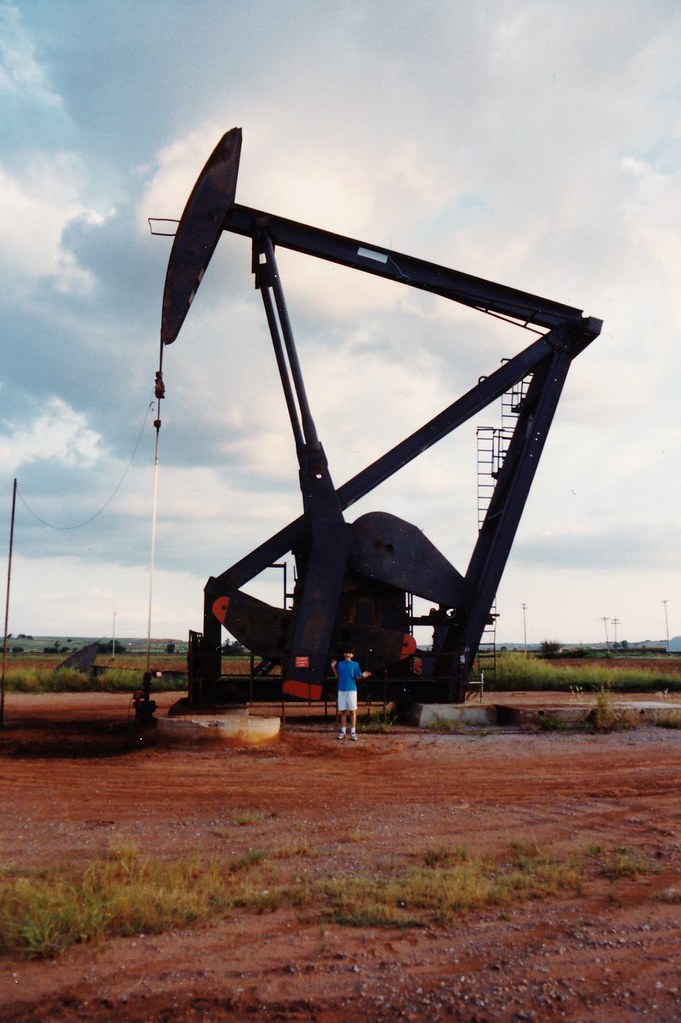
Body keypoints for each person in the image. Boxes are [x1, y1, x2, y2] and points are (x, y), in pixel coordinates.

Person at [332, 651, 370, 741]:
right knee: (343, 711)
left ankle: (353, 732)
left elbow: (357, 677)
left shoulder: (355, 664)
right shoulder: (340, 664)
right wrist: (333, 667)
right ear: (344, 654)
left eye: (349, 653)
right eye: (346, 653)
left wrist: (363, 676)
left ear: (352, 655)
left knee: (352, 711)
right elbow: (338, 676)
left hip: (352, 690)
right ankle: (343, 732)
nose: (347, 654)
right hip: (342, 690)